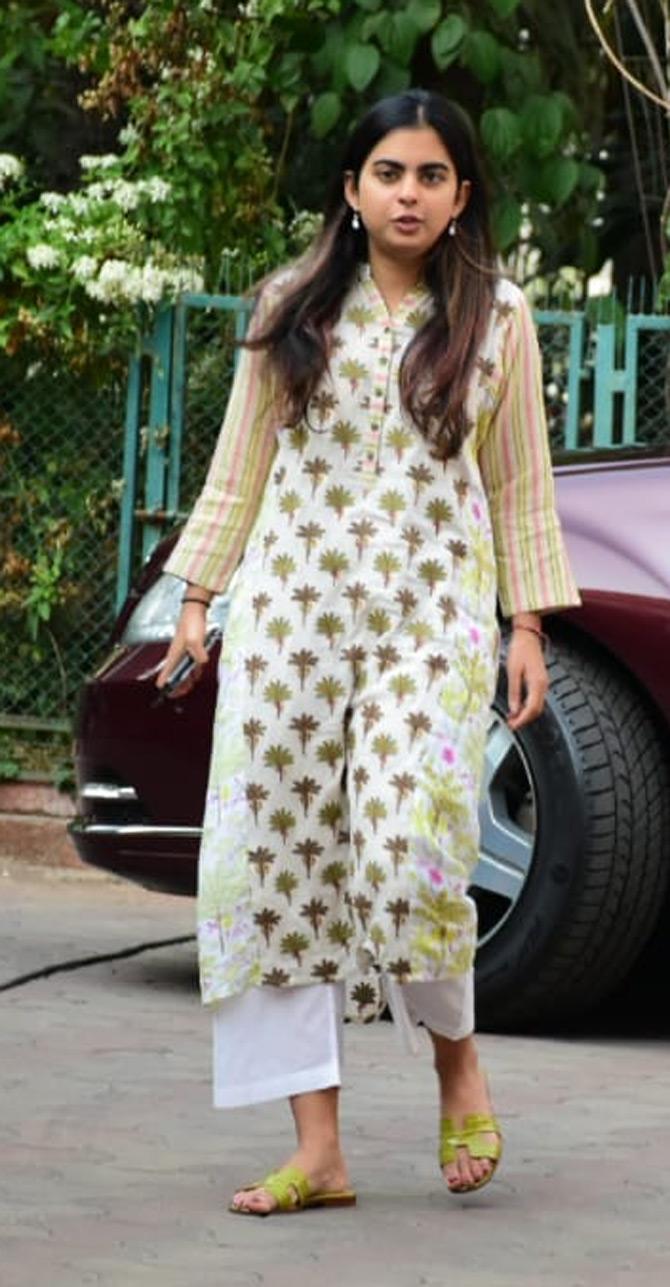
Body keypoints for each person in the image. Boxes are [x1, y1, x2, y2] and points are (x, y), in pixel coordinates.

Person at [157, 88, 581, 1216]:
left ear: (461, 197)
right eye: (388, 172)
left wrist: (527, 622)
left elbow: (521, 485)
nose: (408, 193)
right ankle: (320, 1151)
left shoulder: (499, 320)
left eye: (431, 176)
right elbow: (239, 467)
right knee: (280, 866)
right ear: (350, 189)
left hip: (426, 622)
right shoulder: (289, 305)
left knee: (410, 853)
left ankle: (455, 1063)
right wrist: (199, 597)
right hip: (289, 621)